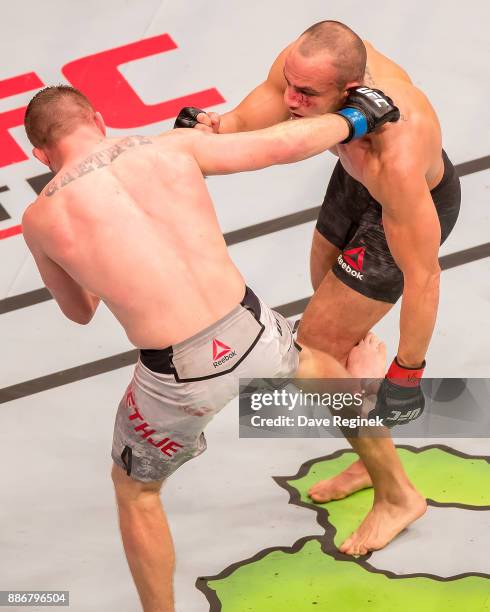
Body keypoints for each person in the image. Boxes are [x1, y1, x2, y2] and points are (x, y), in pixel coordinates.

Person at [21, 85, 395, 611]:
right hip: (251, 328)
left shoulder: (39, 219)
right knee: (313, 363)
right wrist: (355, 119)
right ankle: (397, 490)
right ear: (98, 120)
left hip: (179, 378)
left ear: (40, 155)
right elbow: (276, 146)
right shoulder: (168, 147)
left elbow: (79, 311)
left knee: (136, 490)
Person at [180, 19, 461, 556]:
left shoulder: (398, 156)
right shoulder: (313, 63)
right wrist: (224, 125)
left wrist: (408, 367)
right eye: (292, 82)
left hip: (398, 201)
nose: (291, 99)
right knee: (333, 327)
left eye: (305, 94)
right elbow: (263, 102)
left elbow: (425, 276)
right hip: (354, 177)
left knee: (316, 351)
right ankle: (369, 445)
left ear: (352, 93)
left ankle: (398, 494)